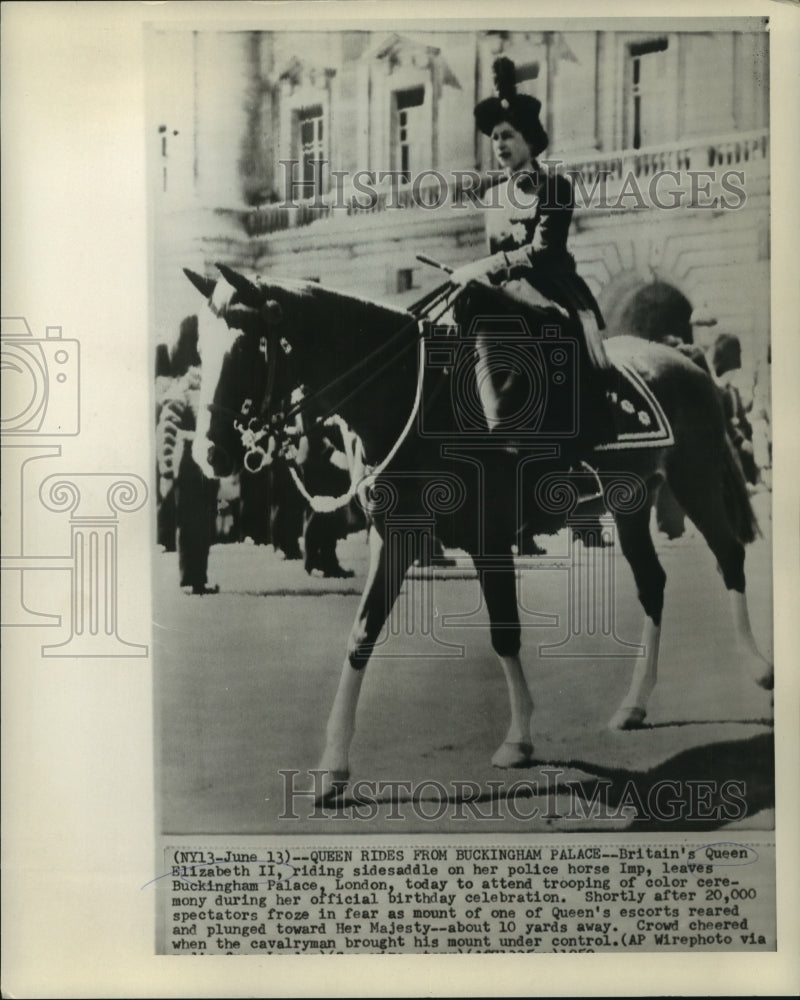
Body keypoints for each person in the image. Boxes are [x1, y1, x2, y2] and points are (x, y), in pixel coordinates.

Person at [451, 55, 611, 419]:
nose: (499, 144)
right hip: (506, 296)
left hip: (552, 291)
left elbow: (543, 249)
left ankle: (578, 436)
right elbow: (496, 256)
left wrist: (484, 266)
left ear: (528, 138)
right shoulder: (493, 197)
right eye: (494, 138)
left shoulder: (555, 186)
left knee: (557, 342)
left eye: (508, 135)